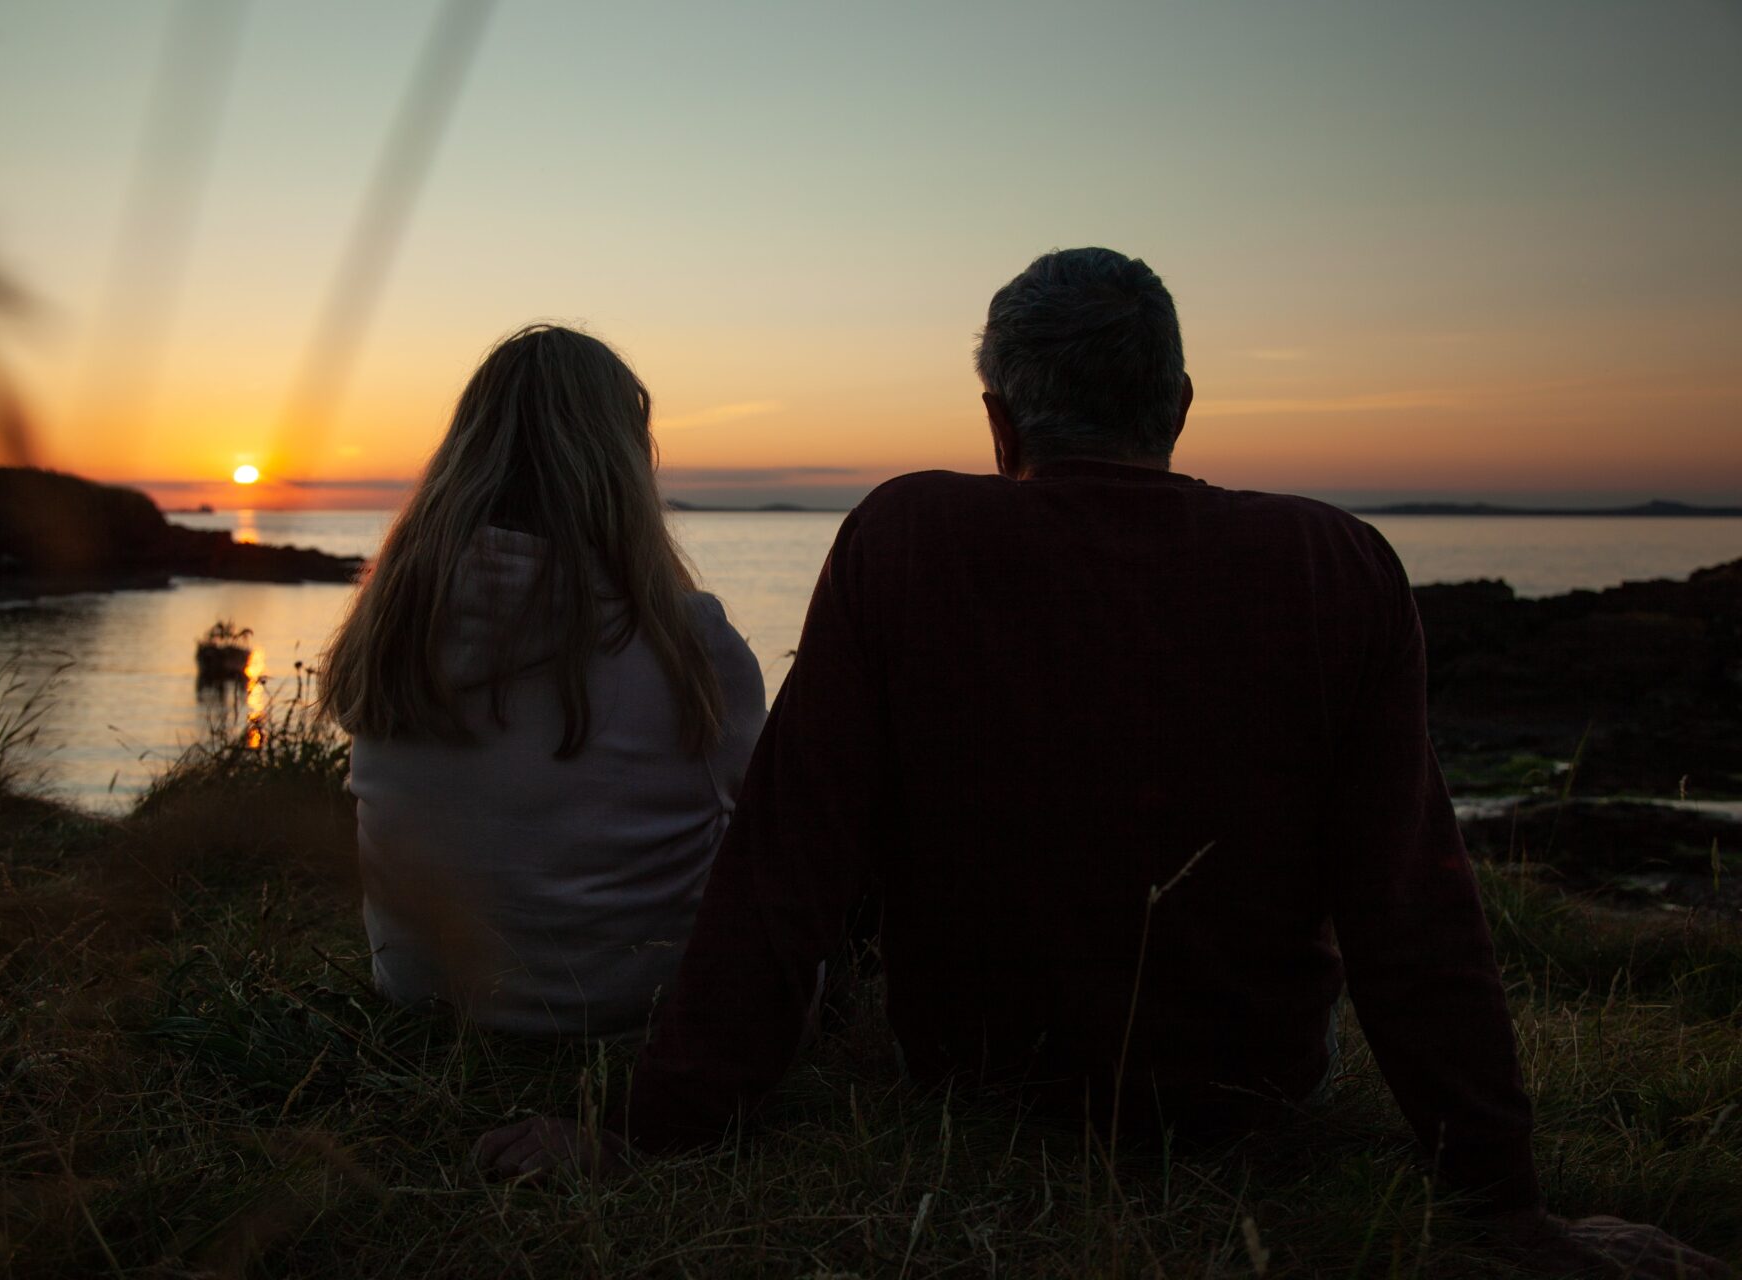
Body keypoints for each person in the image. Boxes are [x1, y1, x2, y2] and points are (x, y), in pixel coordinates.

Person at [476, 256, 1733, 1276]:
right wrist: (1506, 1202)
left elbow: (788, 857)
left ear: (998, 419)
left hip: (969, 1077)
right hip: (1249, 1095)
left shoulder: (907, 536)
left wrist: (650, 1132)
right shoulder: (1335, 565)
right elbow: (1411, 902)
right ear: (1179, 408)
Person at [320, 323, 766, 1040]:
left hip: (424, 1003)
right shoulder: (690, 645)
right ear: (623, 464)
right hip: (633, 1013)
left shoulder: (394, 628)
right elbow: (769, 832)